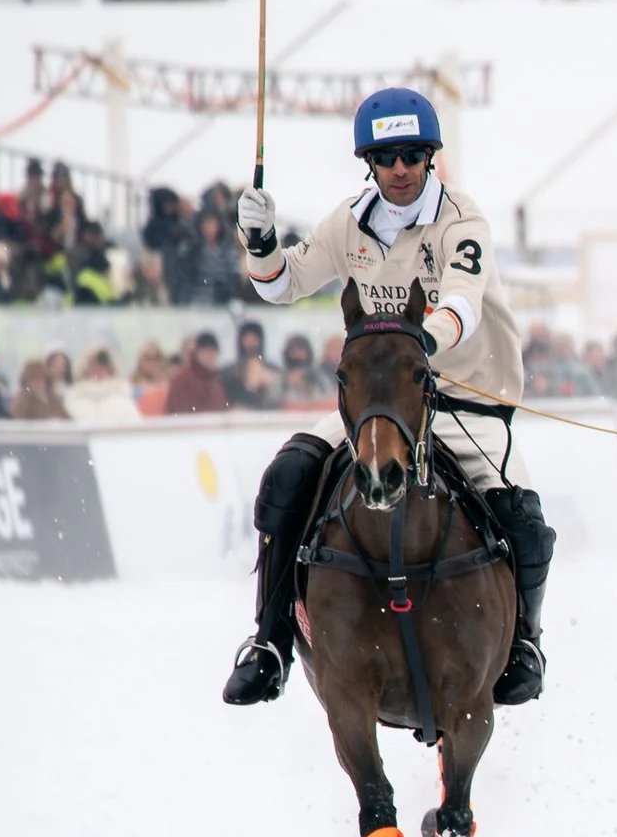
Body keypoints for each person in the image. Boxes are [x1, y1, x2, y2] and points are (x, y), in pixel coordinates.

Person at [220, 87, 558, 709]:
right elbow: (281, 284)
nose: (400, 169)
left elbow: (461, 304)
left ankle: (525, 645)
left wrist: (420, 344)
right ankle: (269, 643)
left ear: (430, 157)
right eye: (385, 157)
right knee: (287, 477)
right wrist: (260, 242)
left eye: (412, 156)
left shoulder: (462, 220)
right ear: (368, 163)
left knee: (525, 520)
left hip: (465, 402)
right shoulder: (348, 223)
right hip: (382, 406)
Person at [164, 332, 231, 415]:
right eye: (207, 353)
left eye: (214, 353)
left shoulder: (217, 383)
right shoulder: (183, 380)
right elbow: (181, 412)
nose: (211, 357)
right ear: (197, 354)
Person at [221, 319, 280, 410]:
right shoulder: (228, 373)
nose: (251, 343)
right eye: (247, 339)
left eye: (254, 339)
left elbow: (277, 401)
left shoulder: (273, 370)